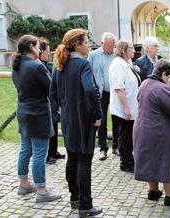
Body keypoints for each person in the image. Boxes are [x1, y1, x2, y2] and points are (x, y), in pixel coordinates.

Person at [51, 28, 102, 217]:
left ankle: (74, 198)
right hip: (83, 119)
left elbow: (52, 93)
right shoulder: (82, 65)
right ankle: (85, 205)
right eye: (86, 42)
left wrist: (58, 111)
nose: (89, 45)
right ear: (77, 45)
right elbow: (90, 89)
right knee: (83, 160)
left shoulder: (61, 65)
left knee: (72, 157)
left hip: (68, 119)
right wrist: (98, 114)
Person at [11, 34, 61, 203]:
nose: (40, 49)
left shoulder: (17, 65)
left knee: (25, 149)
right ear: (32, 47)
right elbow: (51, 88)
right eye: (38, 46)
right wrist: (41, 65)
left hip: (23, 113)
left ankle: (24, 184)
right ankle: (42, 189)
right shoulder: (36, 66)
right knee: (40, 153)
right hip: (38, 114)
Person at [134, 61, 170, 206]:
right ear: (164, 74)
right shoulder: (162, 88)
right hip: (160, 131)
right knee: (166, 160)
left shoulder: (144, 84)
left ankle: (153, 190)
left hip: (142, 128)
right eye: (169, 77)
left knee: (150, 160)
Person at [109, 39, 140, 173]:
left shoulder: (126, 63)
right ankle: (126, 163)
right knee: (125, 136)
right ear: (124, 50)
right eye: (131, 48)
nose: (134, 50)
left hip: (132, 107)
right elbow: (118, 88)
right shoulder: (118, 65)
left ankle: (129, 159)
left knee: (129, 135)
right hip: (124, 108)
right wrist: (126, 108)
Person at [88, 32, 119, 161]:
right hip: (100, 92)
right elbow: (88, 73)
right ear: (102, 44)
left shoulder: (117, 54)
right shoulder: (93, 55)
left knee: (117, 118)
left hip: (115, 91)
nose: (111, 48)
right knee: (101, 120)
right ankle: (102, 148)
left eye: (113, 46)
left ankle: (116, 146)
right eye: (108, 46)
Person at [38, 37, 65, 165]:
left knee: (54, 126)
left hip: (52, 102)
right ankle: (48, 154)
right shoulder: (40, 66)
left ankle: (54, 151)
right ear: (41, 51)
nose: (48, 53)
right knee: (49, 129)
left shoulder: (47, 66)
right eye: (47, 51)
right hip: (45, 102)